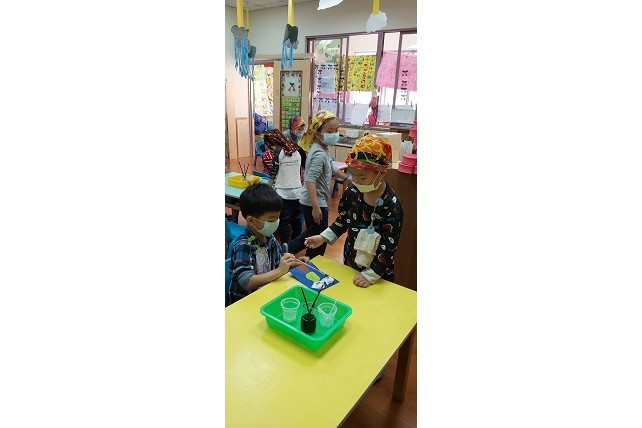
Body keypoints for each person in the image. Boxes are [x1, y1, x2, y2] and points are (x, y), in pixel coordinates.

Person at [303, 135, 404, 288]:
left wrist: (370, 275)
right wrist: (323, 237)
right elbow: (343, 220)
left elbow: (388, 247)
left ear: (381, 173)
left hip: (378, 274)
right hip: (351, 262)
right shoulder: (352, 193)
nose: (355, 181)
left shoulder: (392, 206)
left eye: (362, 177)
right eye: (352, 174)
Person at [284, 110, 349, 258]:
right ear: (318, 133)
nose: (334, 134)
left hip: (313, 200)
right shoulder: (319, 153)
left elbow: (331, 166)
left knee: (314, 232)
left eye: (336, 130)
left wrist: (345, 178)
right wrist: (315, 207)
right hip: (313, 202)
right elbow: (310, 180)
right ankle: (297, 253)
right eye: (330, 131)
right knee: (320, 236)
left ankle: (294, 251)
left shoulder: (322, 148)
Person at [228, 183, 298, 304]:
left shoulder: (270, 238)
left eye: (277, 218)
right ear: (251, 220)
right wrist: (279, 271)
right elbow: (247, 282)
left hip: (266, 294)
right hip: (245, 303)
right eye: (271, 220)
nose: (275, 223)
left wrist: (290, 264)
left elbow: (277, 263)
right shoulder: (244, 245)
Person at [264, 129, 304, 242]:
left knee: (284, 221)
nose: (271, 148)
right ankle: (296, 241)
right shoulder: (297, 150)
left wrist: (267, 190)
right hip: (298, 192)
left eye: (271, 145)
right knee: (296, 219)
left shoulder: (278, 153)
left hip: (284, 193)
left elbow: (272, 173)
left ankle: (285, 243)